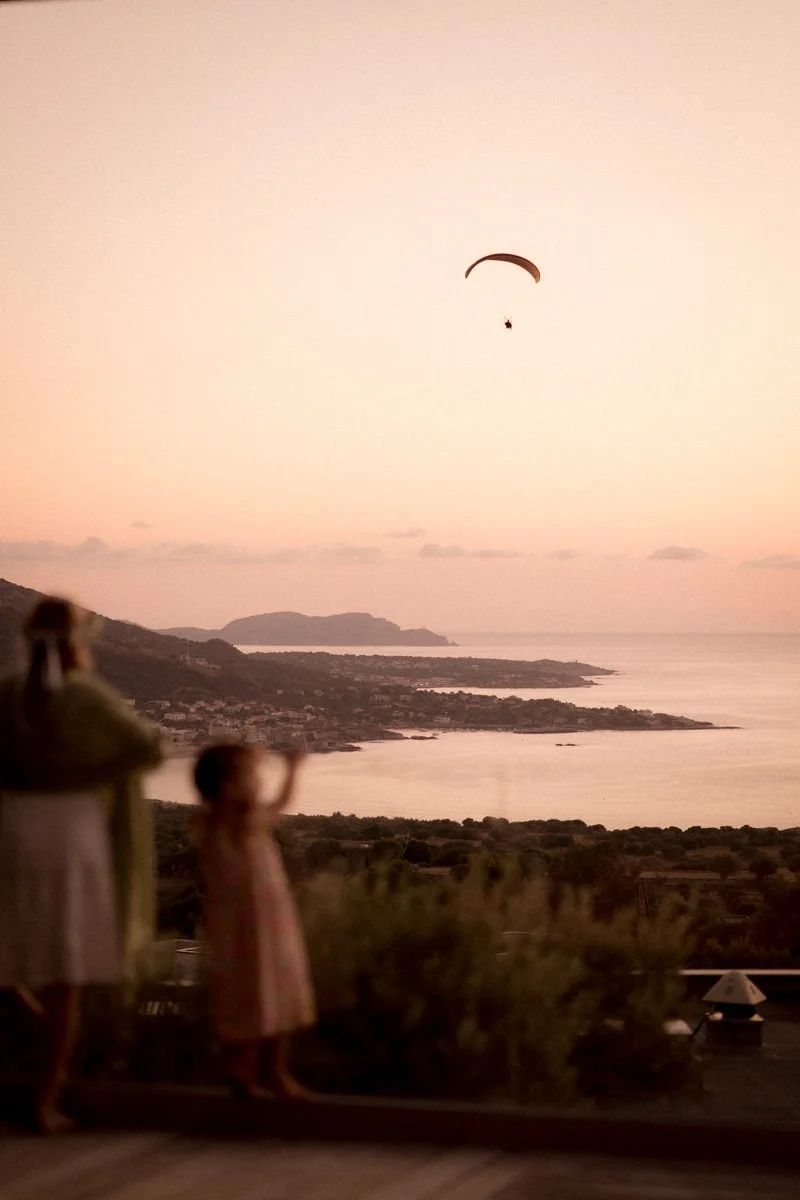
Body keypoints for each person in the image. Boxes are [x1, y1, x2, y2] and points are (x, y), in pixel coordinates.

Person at [0, 596, 164, 1133]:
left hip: (13, 823)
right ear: (79, 642)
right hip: (70, 829)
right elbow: (146, 748)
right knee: (64, 972)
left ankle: (36, 1043)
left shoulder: (7, 695)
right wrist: (85, 774)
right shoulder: (83, 697)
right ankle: (46, 1097)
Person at [193, 743, 315, 1100]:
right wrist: (293, 768)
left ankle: (243, 1069)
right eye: (251, 775)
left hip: (236, 929)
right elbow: (280, 804)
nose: (259, 781)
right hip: (262, 927)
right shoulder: (242, 823)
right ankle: (271, 1073)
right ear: (229, 786)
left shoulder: (210, 824)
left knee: (245, 999)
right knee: (273, 995)